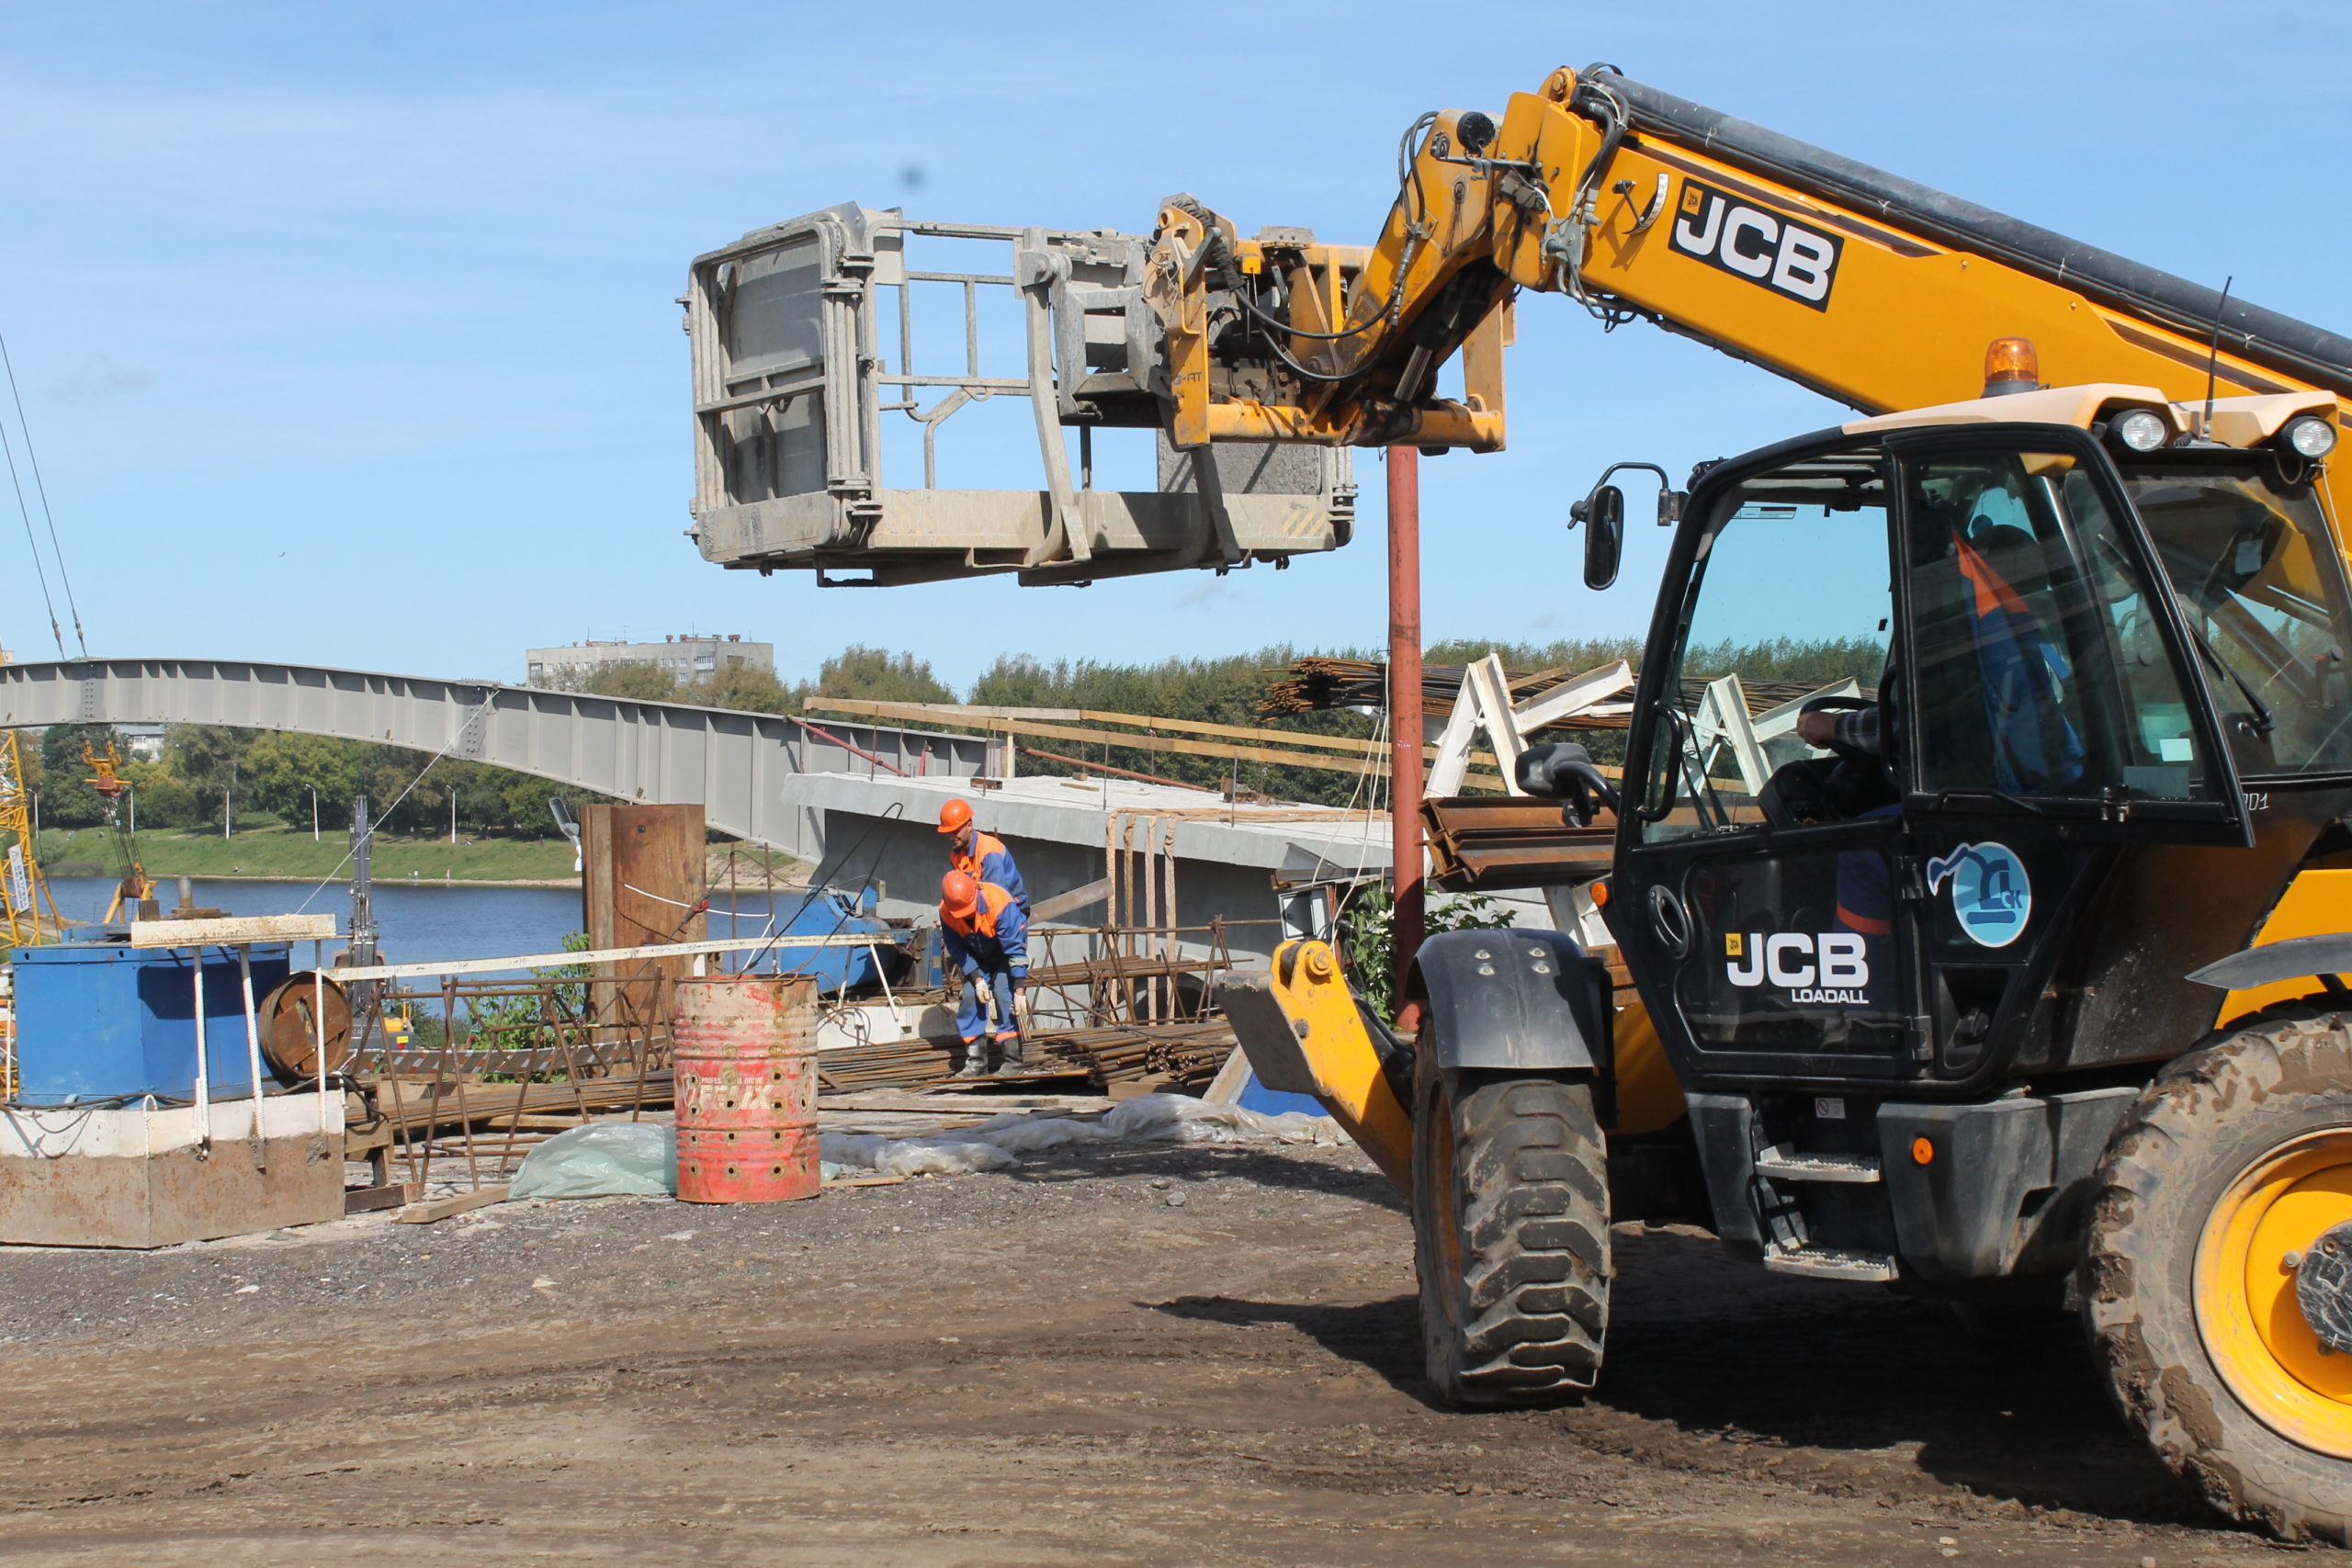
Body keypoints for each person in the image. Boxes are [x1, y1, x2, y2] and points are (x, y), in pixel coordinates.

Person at [939, 870, 1028, 1077]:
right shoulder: (946, 909)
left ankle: (1013, 1062)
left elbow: (1015, 949)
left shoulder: (1000, 903)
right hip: (976, 957)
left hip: (1005, 955)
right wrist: (977, 978)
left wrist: (1020, 989)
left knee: (1005, 996)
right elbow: (956, 948)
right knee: (970, 997)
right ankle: (976, 1063)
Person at [938, 797, 1028, 914]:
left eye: (955, 832)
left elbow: (996, 897)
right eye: (948, 833)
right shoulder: (955, 856)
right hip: (980, 909)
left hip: (1011, 910)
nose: (951, 838)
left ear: (969, 826)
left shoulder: (989, 851)